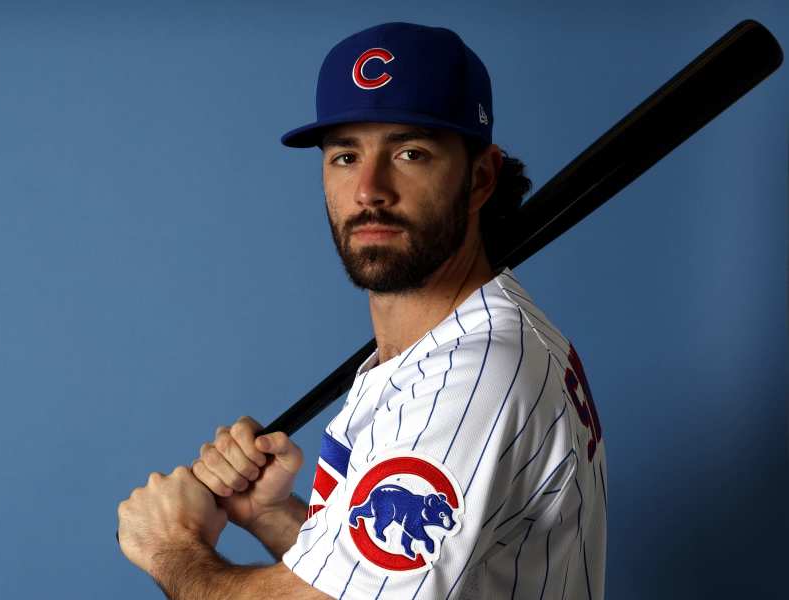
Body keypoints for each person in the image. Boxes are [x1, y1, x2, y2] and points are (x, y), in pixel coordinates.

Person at [116, 22, 607, 599]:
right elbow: (386, 580)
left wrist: (171, 548)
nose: (370, 189)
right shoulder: (446, 347)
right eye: (346, 156)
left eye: (410, 153)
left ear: (480, 178)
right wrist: (269, 515)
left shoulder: (470, 378)